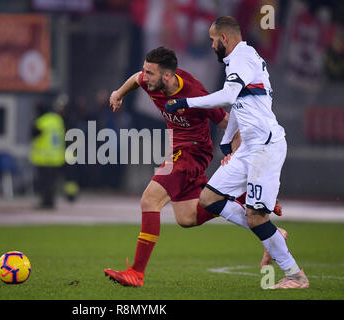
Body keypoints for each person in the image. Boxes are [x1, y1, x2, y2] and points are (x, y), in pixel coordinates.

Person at [104, 47, 279, 287]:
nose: (145, 76)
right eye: (145, 70)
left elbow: (229, 121)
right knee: (187, 217)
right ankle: (258, 216)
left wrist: (235, 155)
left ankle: (136, 273)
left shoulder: (195, 94)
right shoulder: (149, 80)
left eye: (150, 73)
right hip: (177, 150)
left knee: (149, 200)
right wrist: (118, 93)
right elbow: (135, 79)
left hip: (193, 151)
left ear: (166, 76)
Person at [165, 16, 309, 289]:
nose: (211, 45)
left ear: (225, 39)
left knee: (256, 217)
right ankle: (271, 234)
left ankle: (295, 275)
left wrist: (186, 102)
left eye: (212, 40)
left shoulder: (243, 56)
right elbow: (241, 103)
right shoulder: (240, 60)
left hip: (264, 147)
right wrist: (227, 139)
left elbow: (229, 96)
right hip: (249, 148)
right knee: (208, 198)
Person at [29, 97, 66, 209]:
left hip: (44, 157)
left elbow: (33, 134)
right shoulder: (57, 119)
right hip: (56, 157)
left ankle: (46, 202)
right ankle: (50, 201)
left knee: (44, 182)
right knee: (52, 182)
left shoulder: (41, 121)